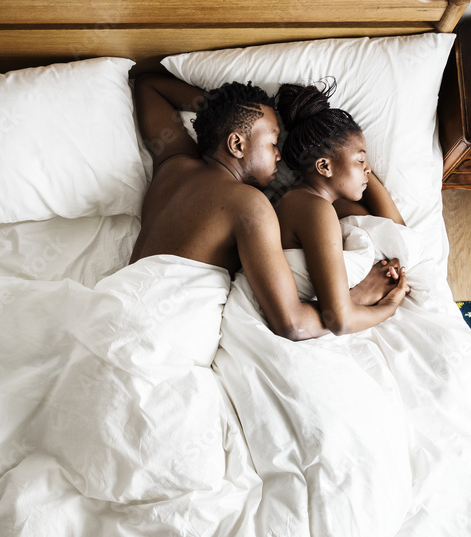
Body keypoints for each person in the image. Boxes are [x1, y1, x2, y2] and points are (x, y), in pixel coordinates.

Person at [130, 72, 399, 340]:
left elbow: (148, 84)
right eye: (272, 142)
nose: (279, 154)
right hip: (159, 339)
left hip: (112, 309)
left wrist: (226, 112)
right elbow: (292, 325)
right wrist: (360, 296)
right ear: (236, 143)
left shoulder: (174, 161)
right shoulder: (250, 204)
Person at [272, 80, 411, 336]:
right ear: (324, 167)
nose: (369, 169)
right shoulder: (315, 209)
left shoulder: (316, 203)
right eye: (360, 159)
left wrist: (357, 168)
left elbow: (398, 235)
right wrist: (389, 303)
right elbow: (341, 321)